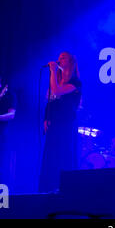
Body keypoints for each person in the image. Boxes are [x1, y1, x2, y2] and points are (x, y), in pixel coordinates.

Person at [39, 52, 82, 193]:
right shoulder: (56, 80)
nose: (59, 59)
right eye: (59, 57)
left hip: (66, 123)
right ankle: (49, 186)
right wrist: (46, 117)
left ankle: (64, 188)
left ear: (70, 62)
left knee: (63, 154)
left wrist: (52, 70)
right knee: (51, 155)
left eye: (63, 57)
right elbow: (50, 100)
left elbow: (57, 92)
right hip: (54, 123)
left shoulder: (75, 82)